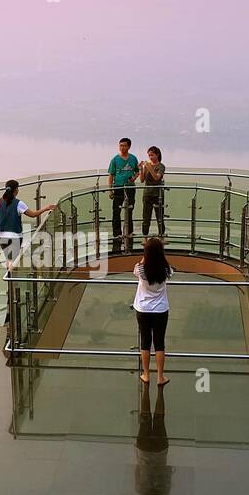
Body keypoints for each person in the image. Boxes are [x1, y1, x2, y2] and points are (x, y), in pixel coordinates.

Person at [0, 179, 55, 270]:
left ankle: (9, 276)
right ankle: (11, 278)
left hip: (2, 236)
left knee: (8, 258)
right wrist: (46, 208)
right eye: (17, 188)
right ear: (16, 190)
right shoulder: (19, 203)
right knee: (13, 261)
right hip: (15, 237)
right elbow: (33, 214)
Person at [133, 235, 171, 384]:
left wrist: (145, 256)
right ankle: (160, 376)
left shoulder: (140, 269)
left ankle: (146, 374)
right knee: (159, 343)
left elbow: (137, 268)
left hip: (143, 309)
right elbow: (169, 269)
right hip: (161, 309)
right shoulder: (166, 269)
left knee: (145, 342)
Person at [107, 138, 139, 253]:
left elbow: (137, 171)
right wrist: (110, 190)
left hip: (130, 188)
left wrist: (133, 178)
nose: (122, 148)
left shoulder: (133, 158)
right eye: (120, 146)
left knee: (130, 210)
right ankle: (117, 234)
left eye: (124, 146)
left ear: (129, 146)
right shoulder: (115, 160)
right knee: (116, 211)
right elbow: (111, 175)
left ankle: (129, 233)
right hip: (118, 187)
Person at [139, 145, 165, 237]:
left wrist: (149, 167)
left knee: (160, 217)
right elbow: (142, 180)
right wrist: (141, 169)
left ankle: (161, 236)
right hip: (147, 194)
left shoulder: (161, 166)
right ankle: (145, 236)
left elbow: (157, 177)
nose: (150, 157)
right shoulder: (147, 166)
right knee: (146, 217)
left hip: (158, 195)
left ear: (157, 155)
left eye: (152, 155)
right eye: (149, 155)